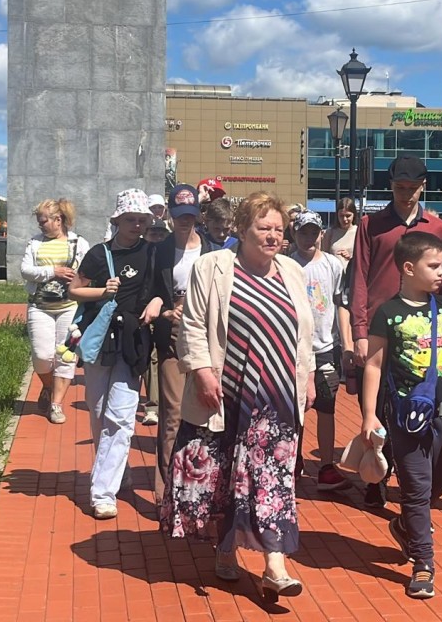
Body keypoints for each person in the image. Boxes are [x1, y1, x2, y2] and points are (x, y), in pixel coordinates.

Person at [160, 192, 315, 602]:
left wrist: (309, 376)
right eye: (264, 228)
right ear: (243, 229)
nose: (273, 236)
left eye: (279, 229)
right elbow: (192, 324)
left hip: (278, 396)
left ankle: (275, 565)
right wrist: (202, 372)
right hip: (226, 393)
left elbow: (305, 333)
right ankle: (226, 547)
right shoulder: (212, 267)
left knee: (273, 480)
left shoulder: (292, 272)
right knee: (228, 476)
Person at [361, 232, 442, 600]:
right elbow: (373, 365)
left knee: (436, 484)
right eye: (433, 266)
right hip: (406, 414)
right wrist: (369, 415)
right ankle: (424, 563)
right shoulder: (388, 313)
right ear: (408, 268)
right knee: (416, 489)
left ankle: (406, 525)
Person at [349, 154, 442, 508]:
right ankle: (375, 473)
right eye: (399, 188)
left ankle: (408, 479)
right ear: (390, 186)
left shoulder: (437, 228)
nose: (406, 195)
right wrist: (358, 331)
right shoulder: (371, 224)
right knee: (373, 404)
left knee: (410, 402)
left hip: (418, 331)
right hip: (378, 327)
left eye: (412, 188)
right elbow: (359, 278)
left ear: (423, 187)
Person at [69, 189, 164, 520]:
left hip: (132, 340)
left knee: (121, 417)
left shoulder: (153, 253)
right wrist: (101, 290)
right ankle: (115, 470)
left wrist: (157, 301)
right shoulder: (98, 254)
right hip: (99, 341)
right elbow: (75, 289)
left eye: (141, 220)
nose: (136, 225)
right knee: (97, 413)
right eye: (130, 220)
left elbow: (161, 289)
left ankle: (102, 493)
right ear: (117, 220)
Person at [151, 184, 214, 502]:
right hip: (172, 339)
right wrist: (164, 309)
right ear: (171, 215)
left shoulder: (213, 251)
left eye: (190, 214)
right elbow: (149, 293)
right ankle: (167, 492)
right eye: (179, 215)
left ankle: (198, 484)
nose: (185, 220)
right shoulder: (159, 251)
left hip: (206, 338)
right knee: (173, 413)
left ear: (198, 215)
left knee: (205, 411)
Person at [289, 211, 349, 491]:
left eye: (313, 233)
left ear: (321, 234)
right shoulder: (287, 264)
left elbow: (341, 303)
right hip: (294, 349)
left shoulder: (333, 265)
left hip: (326, 347)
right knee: (295, 409)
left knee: (326, 408)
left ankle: (326, 465)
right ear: (295, 234)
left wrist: (345, 344)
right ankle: (293, 460)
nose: (308, 238)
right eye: (303, 232)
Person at [20, 199, 91, 424]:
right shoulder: (34, 243)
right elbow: (26, 270)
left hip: (69, 308)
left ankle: (56, 404)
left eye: (43, 221)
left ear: (58, 220)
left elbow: (88, 270)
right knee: (42, 356)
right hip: (40, 306)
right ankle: (49, 387)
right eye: (40, 222)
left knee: (65, 356)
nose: (40, 226)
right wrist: (53, 271)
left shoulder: (79, 243)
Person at [140, 217, 172, 427]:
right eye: (154, 234)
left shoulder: (170, 254)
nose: (158, 238)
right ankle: (152, 406)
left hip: (167, 313)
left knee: (165, 360)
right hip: (145, 311)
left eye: (162, 234)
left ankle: (165, 403)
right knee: (149, 359)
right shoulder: (141, 253)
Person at [322, 197, 358, 269]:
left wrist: (350, 257)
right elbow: (323, 256)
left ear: (354, 215)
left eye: (348, 216)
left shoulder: (359, 232)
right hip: (333, 274)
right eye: (341, 216)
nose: (344, 219)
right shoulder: (329, 233)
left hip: (351, 275)